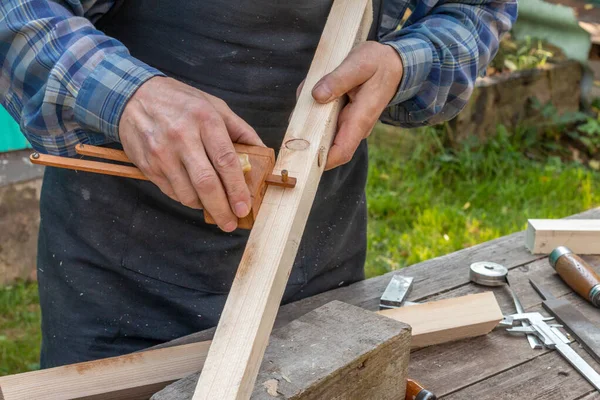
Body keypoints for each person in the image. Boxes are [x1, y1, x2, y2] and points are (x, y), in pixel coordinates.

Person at [0, 0, 517, 368]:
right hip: (118, 275)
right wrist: (128, 97)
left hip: (315, 257)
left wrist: (407, 61)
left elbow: (477, 10)